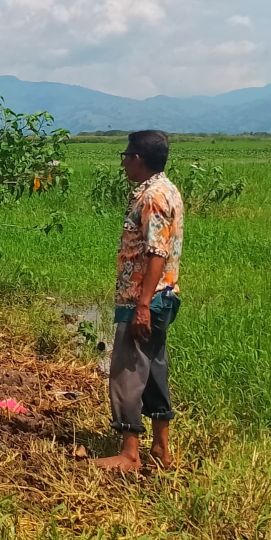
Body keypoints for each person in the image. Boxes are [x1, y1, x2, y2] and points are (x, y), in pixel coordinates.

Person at [94, 130, 184, 473]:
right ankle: (161, 448)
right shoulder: (168, 189)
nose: (123, 161)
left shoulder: (152, 197)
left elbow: (156, 252)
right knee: (154, 369)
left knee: (127, 373)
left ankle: (129, 453)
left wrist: (143, 305)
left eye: (126, 155)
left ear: (138, 159)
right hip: (163, 296)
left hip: (144, 299)